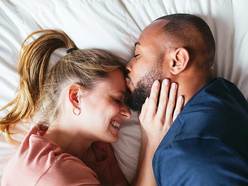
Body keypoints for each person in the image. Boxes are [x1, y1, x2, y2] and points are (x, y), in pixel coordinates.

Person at [0, 29, 183, 186]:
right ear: (75, 97)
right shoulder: (52, 174)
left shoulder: (95, 149)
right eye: (117, 99)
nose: (127, 114)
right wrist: (152, 141)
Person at [126, 13, 248, 185]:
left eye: (137, 55)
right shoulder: (226, 93)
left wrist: (150, 146)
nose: (128, 66)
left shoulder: (185, 156)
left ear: (177, 61)